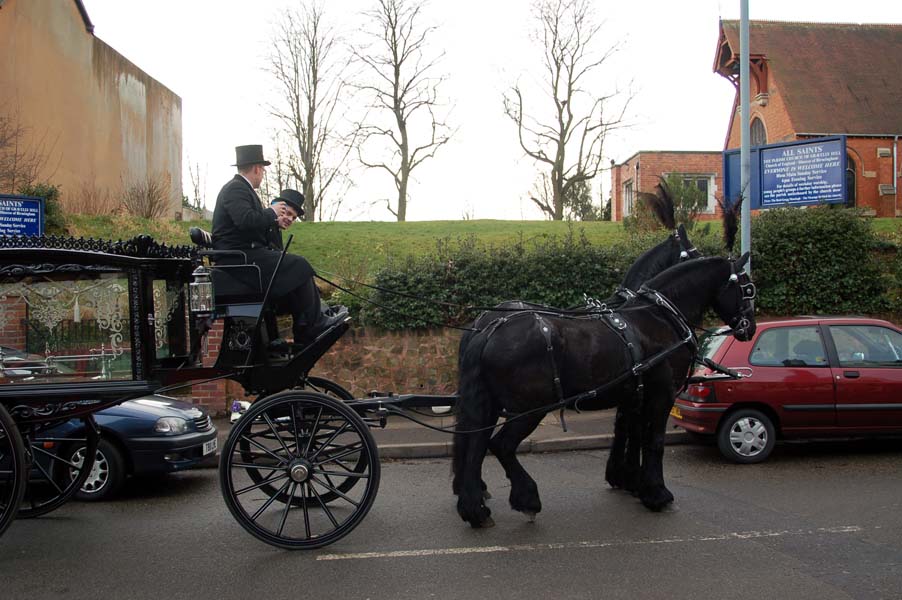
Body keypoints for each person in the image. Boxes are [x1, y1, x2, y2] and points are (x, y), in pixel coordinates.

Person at [211, 145, 345, 346]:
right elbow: (245, 220)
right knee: (299, 265)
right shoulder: (236, 188)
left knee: (295, 269)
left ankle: (308, 323)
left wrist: (273, 221)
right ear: (257, 168)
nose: (263, 175)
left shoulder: (241, 189)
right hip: (240, 258)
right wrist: (272, 213)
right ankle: (313, 325)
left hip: (245, 254)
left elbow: (250, 226)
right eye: (263, 170)